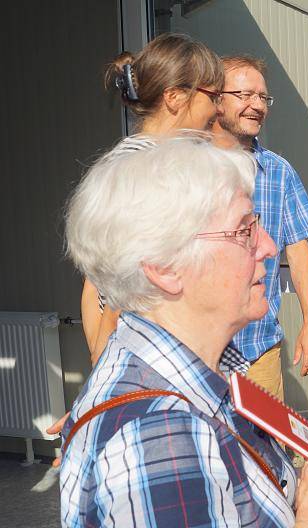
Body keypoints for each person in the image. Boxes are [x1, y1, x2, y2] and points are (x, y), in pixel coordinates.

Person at [60, 135, 308, 527]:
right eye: (244, 230)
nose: (268, 246)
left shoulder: (204, 378)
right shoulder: (156, 437)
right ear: (165, 267)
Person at [81, 33, 225, 364]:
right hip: (152, 356)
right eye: (212, 96)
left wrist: (99, 357)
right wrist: (105, 359)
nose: (218, 109)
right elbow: (121, 288)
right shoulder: (151, 171)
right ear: (175, 97)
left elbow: (93, 283)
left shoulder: (131, 161)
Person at [212, 55, 308, 399]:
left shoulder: (279, 171)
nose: (256, 105)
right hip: (202, 349)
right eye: (244, 95)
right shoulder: (189, 168)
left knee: (263, 450)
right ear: (216, 98)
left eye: (262, 97)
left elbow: (298, 247)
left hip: (259, 347)